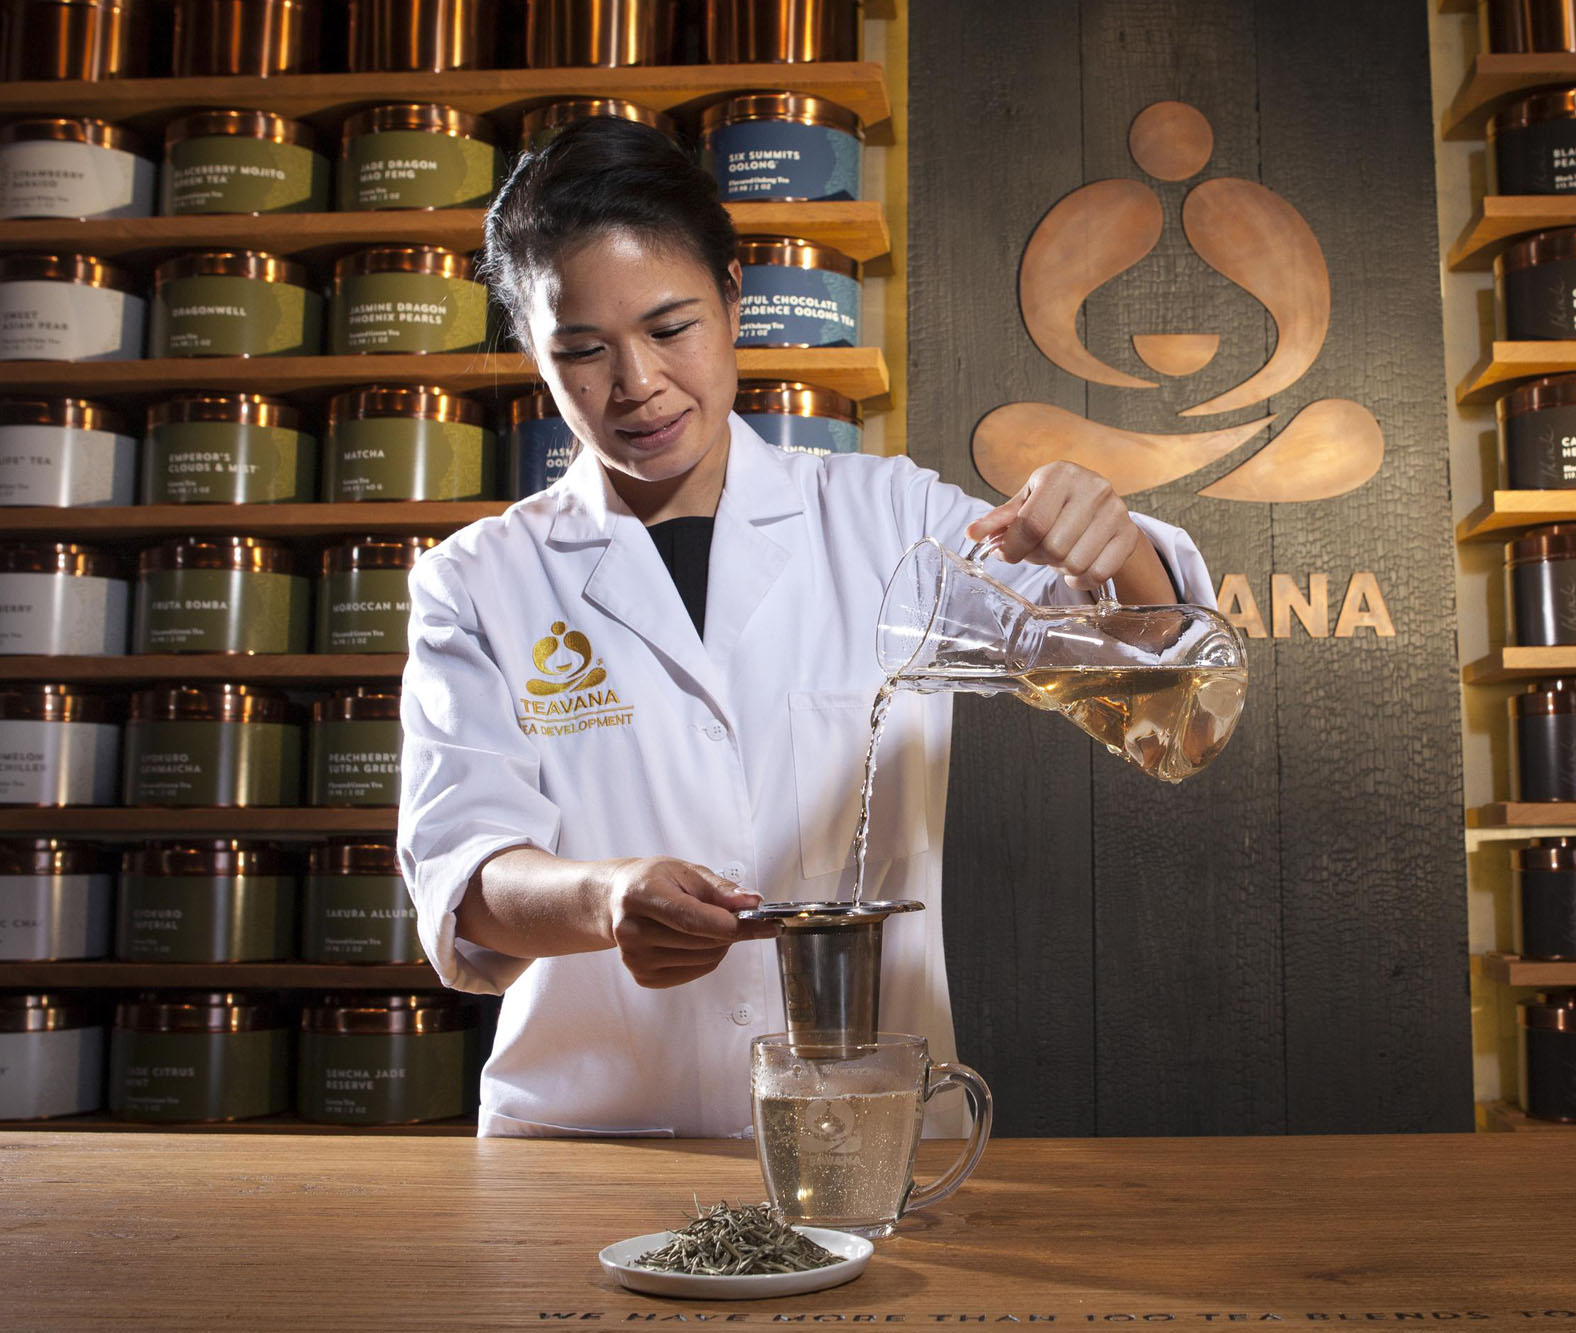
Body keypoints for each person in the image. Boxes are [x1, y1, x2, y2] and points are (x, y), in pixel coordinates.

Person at [395, 118, 1218, 1137]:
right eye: (581, 349)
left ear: (732, 303)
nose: (637, 383)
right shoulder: (478, 580)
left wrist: (1114, 542)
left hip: (864, 1132)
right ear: (533, 350)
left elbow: (1162, 684)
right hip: (592, 1136)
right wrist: (604, 899)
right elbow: (465, 885)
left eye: (669, 327)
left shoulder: (891, 523)